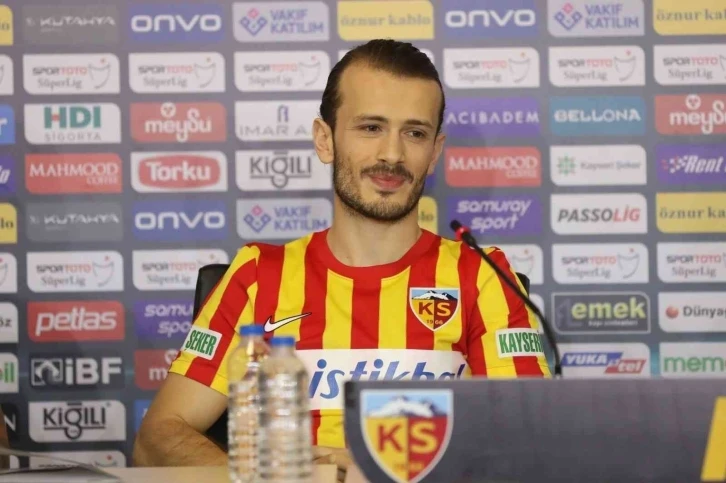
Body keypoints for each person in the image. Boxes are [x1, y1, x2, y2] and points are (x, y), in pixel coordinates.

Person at [133, 39, 551, 478]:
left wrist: (382, 470)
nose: (392, 154)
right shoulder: (258, 275)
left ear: (434, 152)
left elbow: (528, 445)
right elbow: (157, 439)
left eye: (414, 133)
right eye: (371, 127)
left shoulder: (482, 276)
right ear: (325, 140)